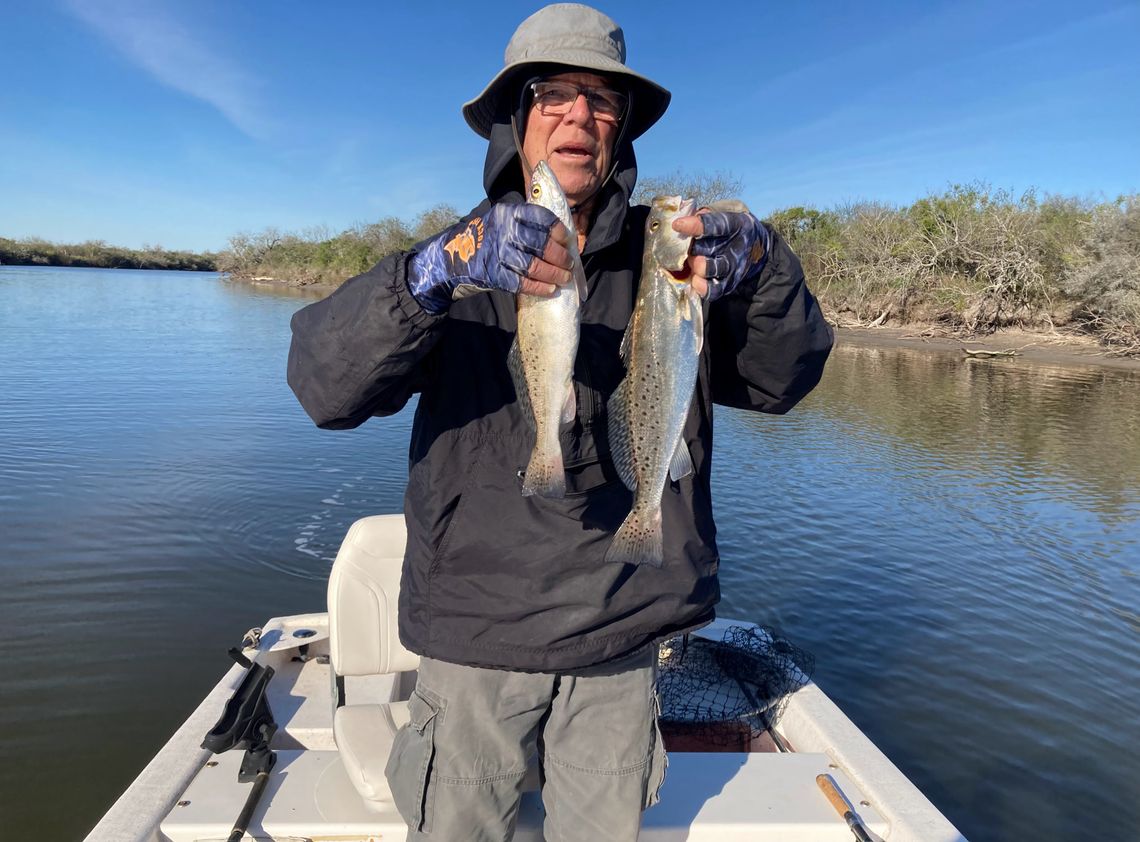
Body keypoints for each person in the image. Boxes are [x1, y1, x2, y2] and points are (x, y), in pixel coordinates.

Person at [287, 4, 833, 839]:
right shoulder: (458, 261)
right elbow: (323, 388)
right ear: (515, 121)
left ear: (622, 128)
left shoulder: (677, 266)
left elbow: (782, 381)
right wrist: (430, 275)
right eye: (553, 93)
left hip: (622, 635)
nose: (580, 114)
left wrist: (764, 269)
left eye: (603, 99)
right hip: (474, 638)